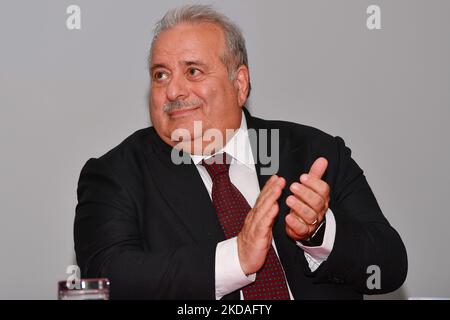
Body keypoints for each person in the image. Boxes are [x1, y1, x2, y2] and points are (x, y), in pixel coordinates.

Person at [74, 5, 407, 300]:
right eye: (160, 75)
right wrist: (236, 258)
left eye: (193, 71)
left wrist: (319, 233)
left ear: (240, 84)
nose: (173, 90)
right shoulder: (116, 174)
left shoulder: (313, 153)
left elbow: (388, 268)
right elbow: (107, 278)